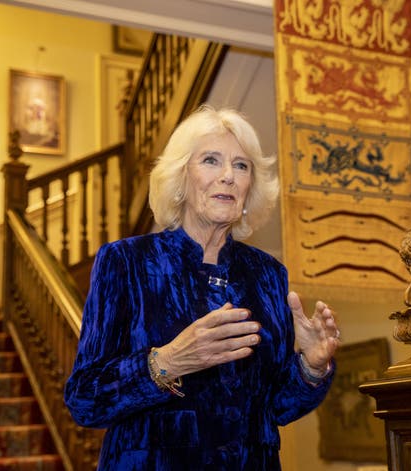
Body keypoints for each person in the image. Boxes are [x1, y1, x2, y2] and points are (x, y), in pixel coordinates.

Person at [64, 105, 340, 470]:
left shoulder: (268, 274)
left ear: (250, 188)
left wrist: (311, 367)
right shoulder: (126, 262)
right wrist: (167, 361)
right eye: (211, 160)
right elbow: (85, 399)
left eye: (241, 166)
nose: (228, 176)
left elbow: (275, 407)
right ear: (180, 179)